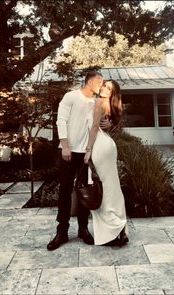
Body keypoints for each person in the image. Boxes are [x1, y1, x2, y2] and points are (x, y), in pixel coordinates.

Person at [47, 71, 111, 251]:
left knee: (84, 191)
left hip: (87, 154)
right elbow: (61, 121)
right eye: (99, 82)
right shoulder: (71, 96)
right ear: (90, 82)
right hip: (68, 152)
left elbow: (100, 125)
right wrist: (65, 145)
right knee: (65, 190)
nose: (102, 85)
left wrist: (109, 124)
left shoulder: (97, 102)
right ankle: (62, 232)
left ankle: (83, 230)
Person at [84, 79, 129, 246]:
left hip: (99, 146)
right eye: (104, 85)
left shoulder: (99, 102)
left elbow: (94, 127)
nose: (104, 88)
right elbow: (102, 125)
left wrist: (88, 150)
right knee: (111, 187)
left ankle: (113, 230)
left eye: (108, 88)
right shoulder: (109, 105)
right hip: (108, 145)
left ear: (112, 93)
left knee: (99, 187)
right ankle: (120, 228)